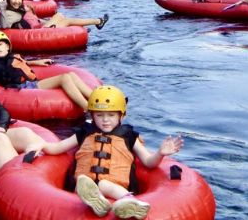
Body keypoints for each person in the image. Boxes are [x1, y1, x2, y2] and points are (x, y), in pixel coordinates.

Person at [26, 86, 184, 219]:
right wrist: (42, 145)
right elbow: (58, 147)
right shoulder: (84, 133)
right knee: (82, 183)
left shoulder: (129, 136)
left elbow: (149, 162)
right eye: (99, 115)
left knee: (104, 184)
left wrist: (161, 153)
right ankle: (97, 202)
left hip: (114, 186)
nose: (105, 120)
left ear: (121, 115)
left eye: (111, 115)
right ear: (92, 116)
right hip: (84, 189)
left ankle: (129, 201)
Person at [0, 31, 93, 109]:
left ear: (7, 47)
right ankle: (88, 109)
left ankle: (96, 98)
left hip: (31, 83)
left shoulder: (12, 57)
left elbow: (20, 65)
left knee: (71, 74)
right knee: (65, 78)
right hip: (23, 89)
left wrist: (36, 62)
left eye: (0, 44)